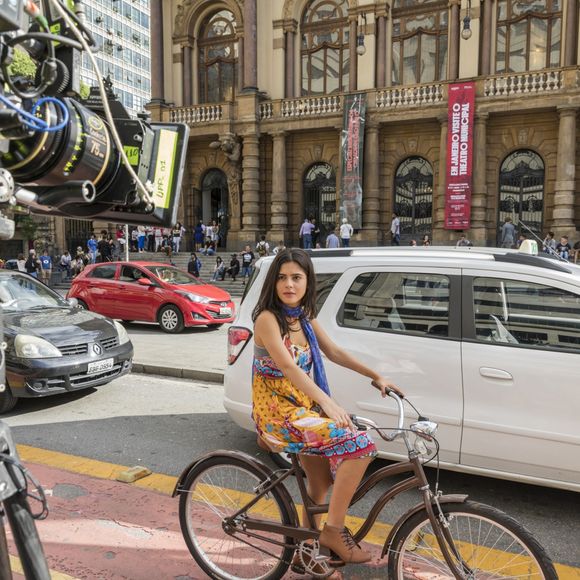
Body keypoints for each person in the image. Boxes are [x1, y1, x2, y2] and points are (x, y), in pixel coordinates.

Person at [251, 248, 403, 565]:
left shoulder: (303, 317)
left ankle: (304, 554)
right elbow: (290, 368)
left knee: (318, 484)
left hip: (303, 410)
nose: (289, 285)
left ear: (308, 282)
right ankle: (333, 530)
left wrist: (375, 376)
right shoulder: (268, 319)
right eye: (282, 278)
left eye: (296, 277)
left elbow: (333, 351)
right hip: (279, 415)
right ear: (273, 283)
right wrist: (327, 402)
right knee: (360, 445)